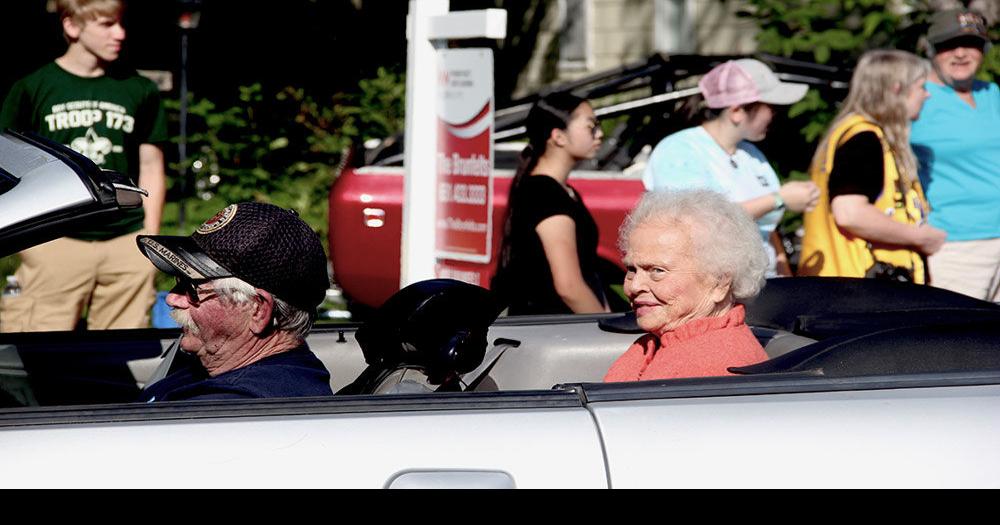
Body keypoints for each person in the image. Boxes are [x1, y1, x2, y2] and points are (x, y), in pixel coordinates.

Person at [0, 0, 167, 332]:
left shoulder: (139, 88)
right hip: (56, 241)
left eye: (120, 23)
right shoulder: (32, 87)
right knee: (40, 354)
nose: (120, 33)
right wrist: (33, 246)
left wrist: (149, 234)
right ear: (72, 26)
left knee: (122, 358)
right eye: (106, 24)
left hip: (126, 239)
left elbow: (151, 165)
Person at [136, 202, 334, 402]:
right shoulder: (216, 363)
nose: (172, 298)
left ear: (257, 310)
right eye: (179, 281)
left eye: (191, 288)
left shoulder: (236, 407)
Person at [643, 59, 820, 278]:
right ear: (736, 111)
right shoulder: (679, 151)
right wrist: (778, 198)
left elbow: (766, 229)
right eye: (770, 107)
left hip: (764, 286)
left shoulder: (752, 155)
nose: (775, 114)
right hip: (714, 288)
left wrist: (785, 276)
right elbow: (698, 222)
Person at [799, 50, 947, 284]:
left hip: (851, 286)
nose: (927, 95)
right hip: (859, 287)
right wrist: (919, 237)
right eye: (921, 86)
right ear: (897, 89)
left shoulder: (855, 132)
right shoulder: (864, 139)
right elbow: (850, 212)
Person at [605, 190, 769, 382]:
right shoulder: (663, 342)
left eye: (657, 271)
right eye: (632, 269)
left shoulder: (709, 369)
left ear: (719, 282)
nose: (634, 286)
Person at [910, 8, 1000, 300]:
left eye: (971, 45)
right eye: (949, 45)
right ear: (933, 51)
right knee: (961, 340)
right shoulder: (916, 99)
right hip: (954, 246)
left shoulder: (993, 93)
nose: (961, 53)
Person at [491, 93, 610, 315]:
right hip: (550, 329)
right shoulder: (544, 193)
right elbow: (569, 286)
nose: (599, 134)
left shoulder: (562, 191)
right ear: (558, 136)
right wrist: (605, 331)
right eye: (590, 126)